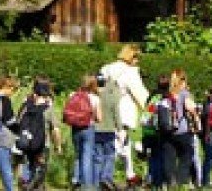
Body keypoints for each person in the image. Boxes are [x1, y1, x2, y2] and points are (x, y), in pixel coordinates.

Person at [99, 45, 148, 188]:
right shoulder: (131, 72)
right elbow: (140, 94)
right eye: (136, 57)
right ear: (131, 57)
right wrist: (150, 106)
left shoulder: (106, 68)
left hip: (105, 111)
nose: (138, 61)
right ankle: (106, 176)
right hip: (123, 114)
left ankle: (130, 173)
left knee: (123, 144)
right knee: (118, 144)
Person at [17, 77, 61, 191]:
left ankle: (26, 186)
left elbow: (18, 123)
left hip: (26, 144)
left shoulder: (26, 106)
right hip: (42, 146)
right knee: (39, 175)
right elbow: (55, 129)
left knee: (27, 173)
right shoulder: (48, 109)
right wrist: (58, 145)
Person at [159, 69, 199, 188]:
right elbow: (190, 108)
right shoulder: (184, 93)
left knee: (169, 157)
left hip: (167, 131)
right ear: (183, 80)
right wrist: (196, 119)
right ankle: (180, 181)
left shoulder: (166, 94)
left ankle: (170, 181)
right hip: (182, 131)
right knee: (186, 155)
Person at [64, 74, 102, 190]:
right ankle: (86, 186)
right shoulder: (95, 98)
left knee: (78, 155)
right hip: (88, 129)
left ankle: (76, 181)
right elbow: (99, 118)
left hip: (75, 128)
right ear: (93, 84)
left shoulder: (73, 95)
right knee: (87, 157)